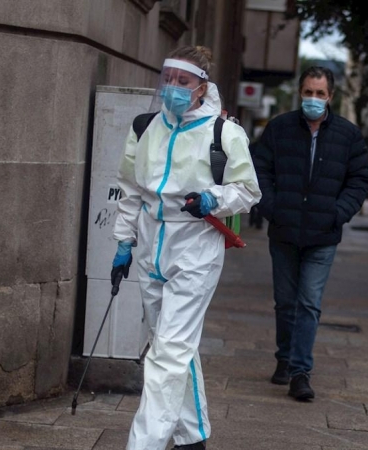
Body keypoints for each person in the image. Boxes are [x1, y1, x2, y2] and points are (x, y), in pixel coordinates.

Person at [112, 45, 261, 450]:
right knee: (171, 343)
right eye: (169, 79)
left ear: (201, 87)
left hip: (195, 245)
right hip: (150, 241)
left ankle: (144, 444)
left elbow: (248, 191)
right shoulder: (145, 127)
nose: (173, 88)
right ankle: (193, 435)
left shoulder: (223, 132)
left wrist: (215, 199)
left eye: (184, 81)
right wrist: (123, 241)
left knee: (167, 353)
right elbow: (129, 190)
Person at [253, 66, 368, 400]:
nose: (314, 99)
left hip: (323, 234)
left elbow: (360, 180)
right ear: (300, 93)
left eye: (320, 94)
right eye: (308, 92)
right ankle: (284, 358)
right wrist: (272, 208)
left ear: (330, 97)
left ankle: (300, 371)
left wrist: (337, 213)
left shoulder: (348, 135)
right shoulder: (279, 129)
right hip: (284, 231)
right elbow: (258, 170)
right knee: (285, 302)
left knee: (309, 303)